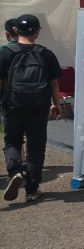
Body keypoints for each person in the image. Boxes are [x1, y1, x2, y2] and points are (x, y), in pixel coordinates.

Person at [1, 14, 62, 203]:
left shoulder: (5, 53)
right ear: (38, 31)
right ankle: (32, 189)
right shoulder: (46, 54)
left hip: (12, 105)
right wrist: (56, 104)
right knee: (36, 147)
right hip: (39, 107)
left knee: (12, 141)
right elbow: (54, 83)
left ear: (15, 30)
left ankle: (15, 172)